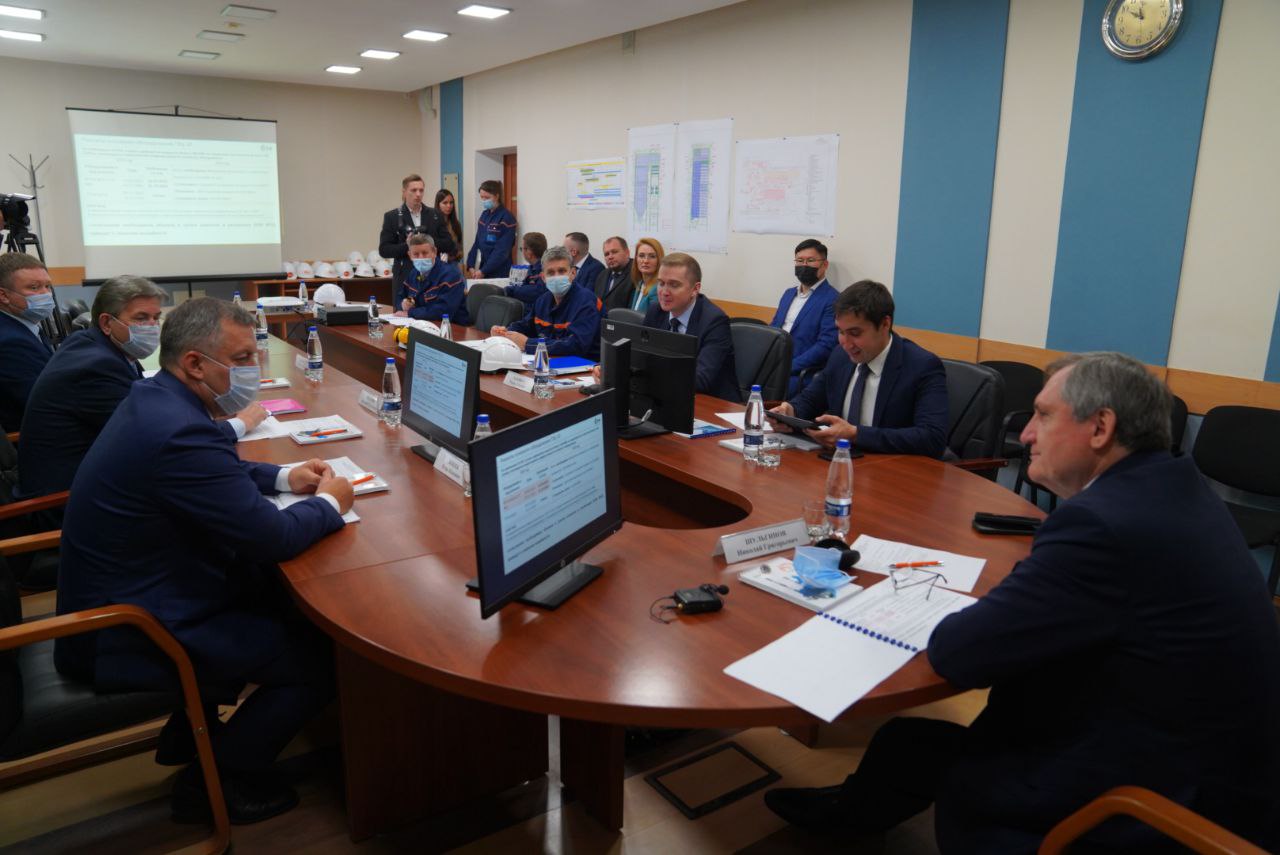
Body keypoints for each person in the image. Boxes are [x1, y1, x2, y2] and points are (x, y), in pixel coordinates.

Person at [765, 352, 1280, 852]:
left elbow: (959, 654)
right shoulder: (1172, 487)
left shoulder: (1103, 525)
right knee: (907, 744)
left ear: (1100, 428)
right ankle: (844, 819)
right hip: (1216, 767)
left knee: (953, 761)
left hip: (1149, 804)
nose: (1027, 433)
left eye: (1043, 415)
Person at [55, 297, 355, 825]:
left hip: (128, 587)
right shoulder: (177, 429)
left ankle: (189, 732)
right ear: (195, 363)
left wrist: (284, 477)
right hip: (125, 626)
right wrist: (332, 502)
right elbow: (274, 537)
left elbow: (211, 463)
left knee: (277, 597)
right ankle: (215, 781)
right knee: (316, 657)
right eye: (241, 358)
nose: (252, 369)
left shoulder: (156, 397)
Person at [17, 277, 268, 499]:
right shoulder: (95, 367)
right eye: (140, 318)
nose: (151, 326)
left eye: (155, 318)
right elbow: (159, 436)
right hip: (62, 497)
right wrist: (240, 424)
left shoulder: (101, 346)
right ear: (107, 323)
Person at [768, 280, 947, 456]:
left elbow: (932, 438)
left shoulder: (922, 366)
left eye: (855, 333)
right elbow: (812, 399)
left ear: (885, 324)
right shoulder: (840, 356)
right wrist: (789, 411)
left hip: (892, 466)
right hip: (840, 461)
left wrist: (856, 435)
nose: (845, 343)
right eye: (840, 331)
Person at [642, 252, 740, 402]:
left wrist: (649, 373)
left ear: (695, 289)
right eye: (661, 283)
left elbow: (700, 379)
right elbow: (641, 356)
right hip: (667, 396)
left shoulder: (714, 321)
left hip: (712, 403)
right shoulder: (656, 311)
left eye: (674, 285)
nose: (664, 292)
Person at [491, 245, 602, 359]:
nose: (556, 276)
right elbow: (526, 326)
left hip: (586, 365)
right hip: (552, 361)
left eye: (562, 271)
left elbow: (576, 346)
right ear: (543, 277)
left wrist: (528, 344)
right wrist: (505, 332)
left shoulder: (587, 301)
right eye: (551, 272)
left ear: (573, 273)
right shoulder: (542, 301)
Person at [771, 239, 839, 397]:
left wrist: (788, 367)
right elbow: (773, 328)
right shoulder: (788, 294)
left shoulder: (833, 299)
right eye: (800, 261)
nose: (804, 265)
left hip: (800, 373)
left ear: (824, 265)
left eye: (810, 260)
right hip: (774, 365)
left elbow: (826, 345)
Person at [0, 252, 55, 432]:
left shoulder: (26, 325)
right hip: (30, 437)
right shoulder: (11, 341)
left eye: (48, 286)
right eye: (34, 287)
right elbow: (46, 403)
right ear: (3, 295)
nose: (46, 294)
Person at [378, 173, 458, 288]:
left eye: (421, 190)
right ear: (404, 192)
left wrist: (427, 241)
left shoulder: (435, 215)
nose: (418, 194)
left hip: (433, 278)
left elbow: (449, 245)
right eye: (414, 190)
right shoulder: (392, 217)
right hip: (405, 277)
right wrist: (408, 245)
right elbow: (384, 250)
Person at [397, 233, 469, 324]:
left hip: (452, 327)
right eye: (416, 254)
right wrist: (403, 304)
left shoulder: (451, 275)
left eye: (425, 253)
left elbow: (443, 311)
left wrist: (411, 313)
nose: (421, 258)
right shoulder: (413, 273)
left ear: (434, 252)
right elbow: (400, 296)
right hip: (422, 324)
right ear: (410, 255)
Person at [464, 180, 517, 279]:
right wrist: (470, 265)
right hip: (482, 269)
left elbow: (502, 251)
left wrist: (484, 270)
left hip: (499, 271)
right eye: (482, 197)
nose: (484, 200)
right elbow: (477, 243)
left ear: (496, 196)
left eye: (487, 197)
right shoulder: (484, 215)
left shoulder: (506, 218)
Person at [505, 231, 547, 311]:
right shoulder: (532, 268)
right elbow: (524, 288)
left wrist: (511, 290)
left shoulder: (545, 268)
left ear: (529, 252)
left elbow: (537, 292)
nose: (522, 252)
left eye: (522, 249)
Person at [593, 235, 635, 313]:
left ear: (627, 253)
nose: (610, 257)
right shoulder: (602, 275)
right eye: (607, 254)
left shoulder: (636, 273)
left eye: (614, 252)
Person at [629, 237, 664, 314]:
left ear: (659, 260)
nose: (645, 261)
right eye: (641, 256)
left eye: (652, 256)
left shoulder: (658, 289)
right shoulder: (640, 284)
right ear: (636, 258)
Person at [434, 188, 464, 257]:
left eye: (451, 203)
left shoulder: (456, 224)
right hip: (437, 261)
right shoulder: (433, 223)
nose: (449, 206)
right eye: (445, 203)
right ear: (438, 204)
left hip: (453, 261)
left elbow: (460, 250)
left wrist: (452, 257)